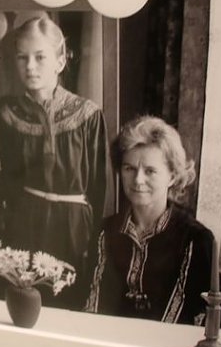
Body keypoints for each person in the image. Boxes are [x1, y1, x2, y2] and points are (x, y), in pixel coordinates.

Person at [0, 15, 112, 308]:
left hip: (73, 225)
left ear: (60, 62)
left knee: (70, 299)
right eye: (22, 58)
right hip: (26, 222)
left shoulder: (87, 113)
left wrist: (94, 238)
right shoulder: (9, 115)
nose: (30, 66)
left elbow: (99, 185)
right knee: (27, 299)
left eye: (40, 57)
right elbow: (9, 181)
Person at [84, 115, 213, 325]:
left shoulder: (195, 239)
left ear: (172, 176)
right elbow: (93, 301)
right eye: (129, 169)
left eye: (150, 171)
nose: (138, 180)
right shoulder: (105, 231)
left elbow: (187, 313)